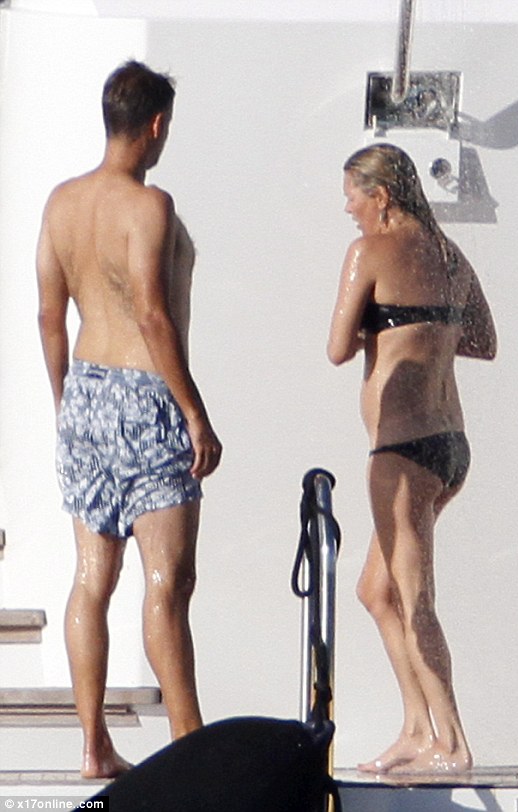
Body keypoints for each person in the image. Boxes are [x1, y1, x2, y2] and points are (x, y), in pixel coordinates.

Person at [36, 61, 222, 779]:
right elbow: (151, 312)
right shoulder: (150, 205)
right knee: (167, 581)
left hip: (84, 391)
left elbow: (49, 316)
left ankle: (93, 746)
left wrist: (66, 403)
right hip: (147, 396)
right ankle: (189, 746)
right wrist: (194, 412)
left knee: (92, 577)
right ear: (155, 124)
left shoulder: (61, 203)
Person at [328, 143, 496, 774]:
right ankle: (416, 727)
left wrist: (383, 327)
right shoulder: (449, 255)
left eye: (353, 196)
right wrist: (425, 332)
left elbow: (337, 348)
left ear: (381, 196)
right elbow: (484, 341)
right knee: (376, 590)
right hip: (450, 446)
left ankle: (451, 741)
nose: (348, 209)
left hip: (401, 450)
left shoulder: (368, 253)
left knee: (415, 598)